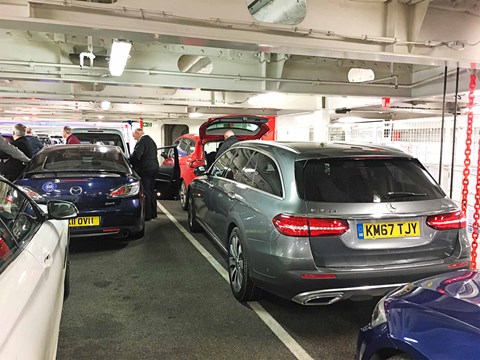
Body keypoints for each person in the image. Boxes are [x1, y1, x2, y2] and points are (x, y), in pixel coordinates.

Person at [129, 128, 159, 221]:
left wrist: (129, 160)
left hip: (145, 169)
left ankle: (147, 215)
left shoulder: (142, 141)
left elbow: (137, 155)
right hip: (154, 168)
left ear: (138, 133)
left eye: (134, 136)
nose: (134, 138)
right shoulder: (151, 141)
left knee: (145, 191)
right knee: (151, 190)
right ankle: (153, 213)